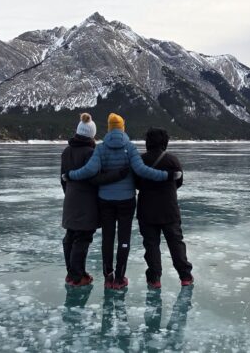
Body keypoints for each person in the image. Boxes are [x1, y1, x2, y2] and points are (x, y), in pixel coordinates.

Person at [63, 113, 182, 290]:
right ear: (123, 127)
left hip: (105, 200)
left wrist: (70, 175)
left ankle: (107, 277)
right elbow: (143, 171)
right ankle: (119, 278)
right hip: (126, 200)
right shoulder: (130, 147)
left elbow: (88, 171)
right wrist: (168, 176)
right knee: (124, 239)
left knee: (108, 238)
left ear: (109, 128)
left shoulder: (101, 149)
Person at [60, 113, 130, 286]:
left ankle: (72, 273)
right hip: (86, 202)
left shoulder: (67, 151)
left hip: (70, 199)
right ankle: (77, 276)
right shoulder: (91, 152)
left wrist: (68, 193)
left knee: (70, 236)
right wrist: (118, 175)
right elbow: (95, 178)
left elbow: (62, 178)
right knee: (82, 238)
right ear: (92, 134)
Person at [135, 127, 193, 289]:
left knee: (151, 245)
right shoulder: (172, 160)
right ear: (165, 143)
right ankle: (185, 276)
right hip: (169, 210)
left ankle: (154, 278)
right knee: (176, 243)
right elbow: (178, 183)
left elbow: (136, 183)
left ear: (148, 142)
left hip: (146, 210)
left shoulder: (140, 161)